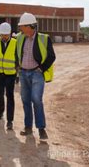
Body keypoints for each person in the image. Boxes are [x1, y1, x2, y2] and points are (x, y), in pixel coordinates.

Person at [17, 12, 56, 140]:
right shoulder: (20, 38)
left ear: (30, 26)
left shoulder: (44, 38)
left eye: (22, 26)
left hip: (36, 74)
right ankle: (28, 127)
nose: (20, 28)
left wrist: (41, 69)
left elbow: (51, 56)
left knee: (36, 100)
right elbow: (17, 53)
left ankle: (41, 129)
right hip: (23, 73)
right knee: (25, 100)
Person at [0, 22, 18, 130]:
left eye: (6, 35)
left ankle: (10, 120)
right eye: (3, 35)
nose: (5, 37)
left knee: (10, 96)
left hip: (10, 74)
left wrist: (17, 73)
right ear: (0, 34)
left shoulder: (15, 43)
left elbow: (18, 58)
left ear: (10, 34)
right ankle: (1, 111)